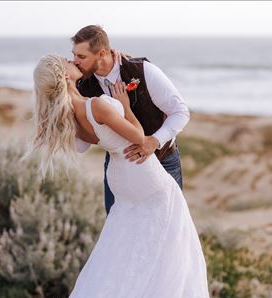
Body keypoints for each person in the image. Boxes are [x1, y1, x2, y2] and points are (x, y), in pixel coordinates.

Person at [18, 53, 210, 298]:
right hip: (139, 169)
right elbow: (138, 137)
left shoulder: (70, 111)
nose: (74, 61)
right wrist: (124, 106)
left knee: (124, 237)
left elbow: (86, 144)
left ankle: (133, 295)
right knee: (170, 230)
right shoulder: (95, 105)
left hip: (119, 175)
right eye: (68, 61)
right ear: (65, 76)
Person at [71, 25, 189, 215]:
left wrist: (154, 141)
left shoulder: (142, 71)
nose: (75, 62)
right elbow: (82, 146)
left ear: (102, 54)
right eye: (74, 55)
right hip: (120, 168)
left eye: (81, 57)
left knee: (169, 225)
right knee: (118, 227)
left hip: (163, 160)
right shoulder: (82, 86)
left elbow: (180, 111)